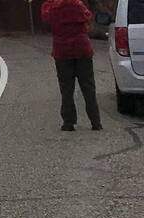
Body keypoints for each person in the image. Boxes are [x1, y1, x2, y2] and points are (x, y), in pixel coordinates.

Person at [41, 0, 102, 131]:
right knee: (88, 87)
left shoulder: (51, 6)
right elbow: (88, 16)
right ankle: (95, 121)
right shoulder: (77, 4)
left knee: (66, 89)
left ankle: (68, 122)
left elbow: (46, 18)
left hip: (62, 50)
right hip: (82, 49)